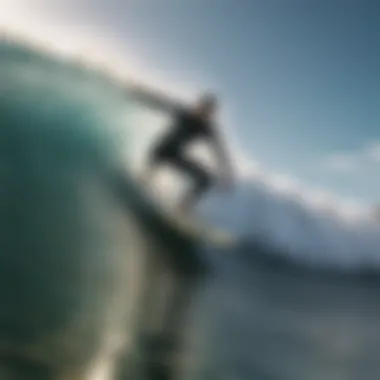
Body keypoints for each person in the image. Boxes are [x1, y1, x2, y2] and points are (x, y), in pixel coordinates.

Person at [129, 83, 234, 215]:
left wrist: (226, 174)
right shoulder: (184, 112)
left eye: (209, 112)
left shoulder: (207, 129)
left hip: (176, 155)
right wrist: (140, 94)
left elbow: (220, 152)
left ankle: (181, 208)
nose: (204, 113)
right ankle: (141, 182)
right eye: (203, 107)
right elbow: (161, 102)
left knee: (205, 179)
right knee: (147, 177)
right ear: (198, 105)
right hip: (161, 150)